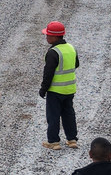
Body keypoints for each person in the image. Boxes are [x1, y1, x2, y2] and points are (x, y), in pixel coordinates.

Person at [40, 21, 79, 151]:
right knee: (69, 114)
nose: (46, 37)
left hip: (55, 90)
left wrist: (43, 89)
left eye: (48, 35)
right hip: (69, 89)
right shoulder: (71, 48)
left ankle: (54, 142)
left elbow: (48, 74)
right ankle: (72, 140)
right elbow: (76, 64)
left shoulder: (53, 52)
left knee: (53, 116)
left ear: (55, 37)